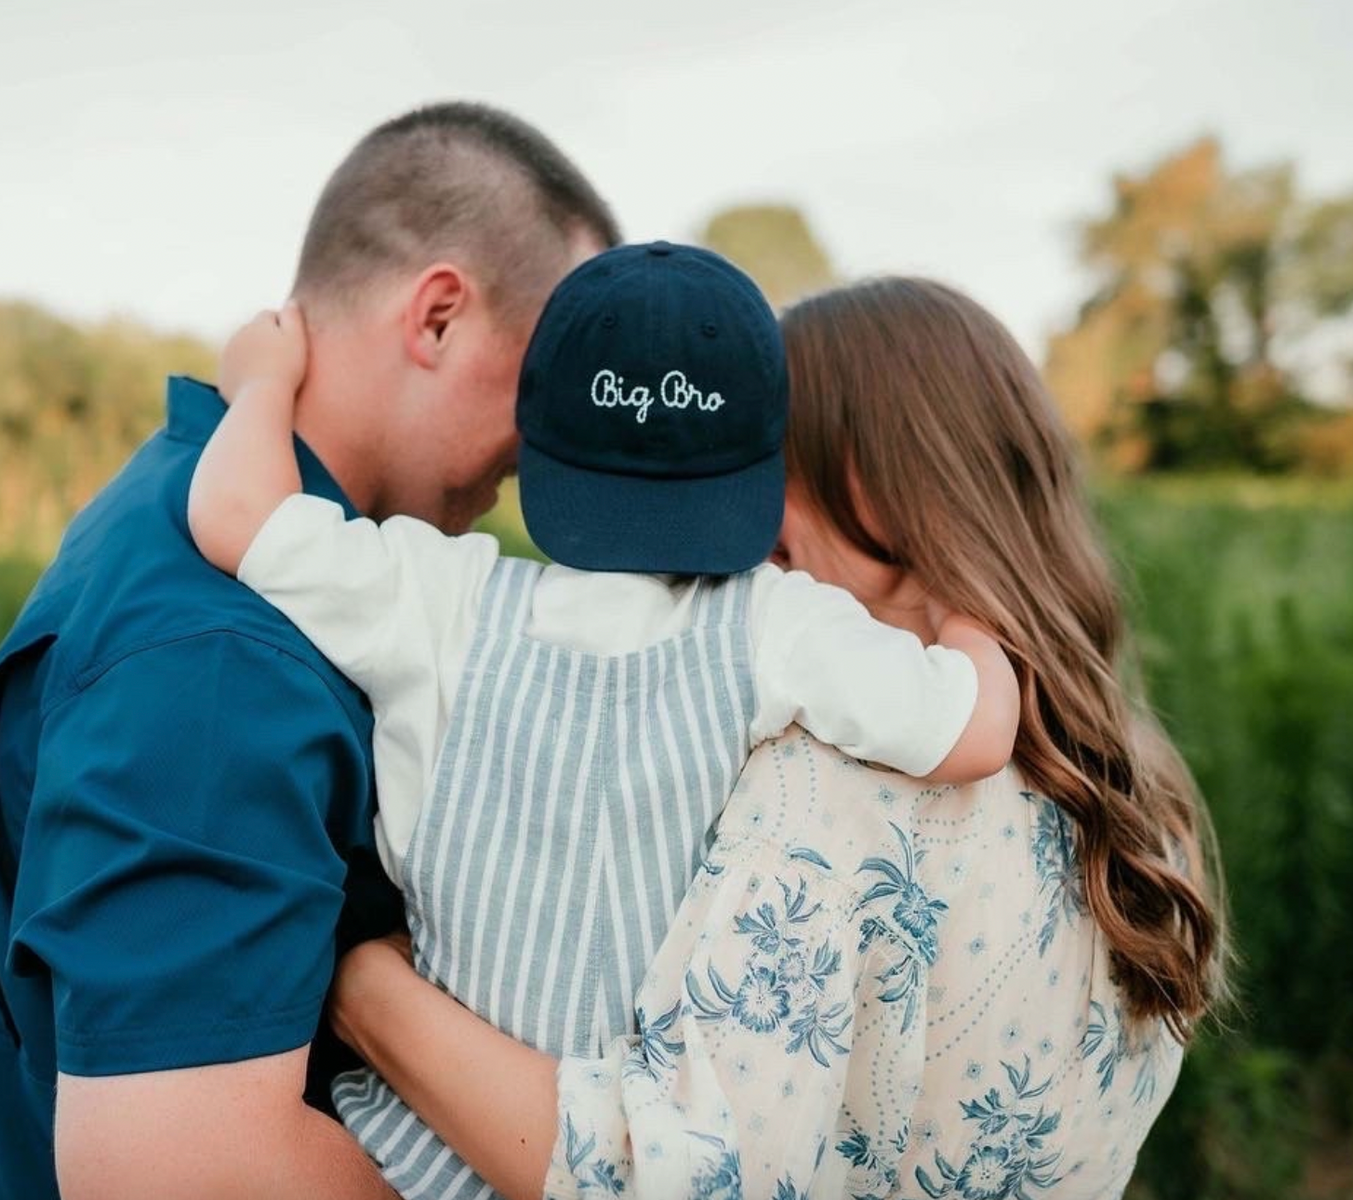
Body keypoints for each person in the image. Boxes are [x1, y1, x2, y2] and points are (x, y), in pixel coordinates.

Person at [326, 277, 1227, 1199]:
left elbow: (660, 1178)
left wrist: (361, 985)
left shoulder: (829, 787)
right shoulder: (1142, 807)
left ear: (866, 483)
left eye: (759, 461)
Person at [187, 244, 1021, 1199]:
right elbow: (972, 729)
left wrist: (262, 379)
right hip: (610, 1142)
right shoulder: (776, 625)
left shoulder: (436, 595)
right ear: (757, 462)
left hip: (413, 1148)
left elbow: (236, 513)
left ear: (533, 443)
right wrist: (971, 602)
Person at [0, 101, 618, 1200]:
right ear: (439, 316)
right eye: (545, 382)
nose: (550, 443)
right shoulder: (218, 646)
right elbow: (179, 1166)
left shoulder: (203, 512)